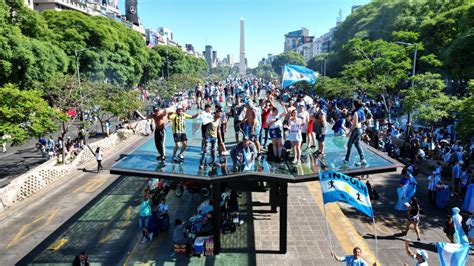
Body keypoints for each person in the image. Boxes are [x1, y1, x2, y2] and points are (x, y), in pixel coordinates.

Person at [343, 100, 367, 166]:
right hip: (360, 129)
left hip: (356, 130)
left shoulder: (356, 113)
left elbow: (355, 125)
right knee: (357, 144)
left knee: (349, 144)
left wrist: (349, 132)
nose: (352, 105)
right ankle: (363, 159)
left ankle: (346, 159)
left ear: (355, 105)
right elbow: (363, 120)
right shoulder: (361, 111)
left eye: (353, 104)